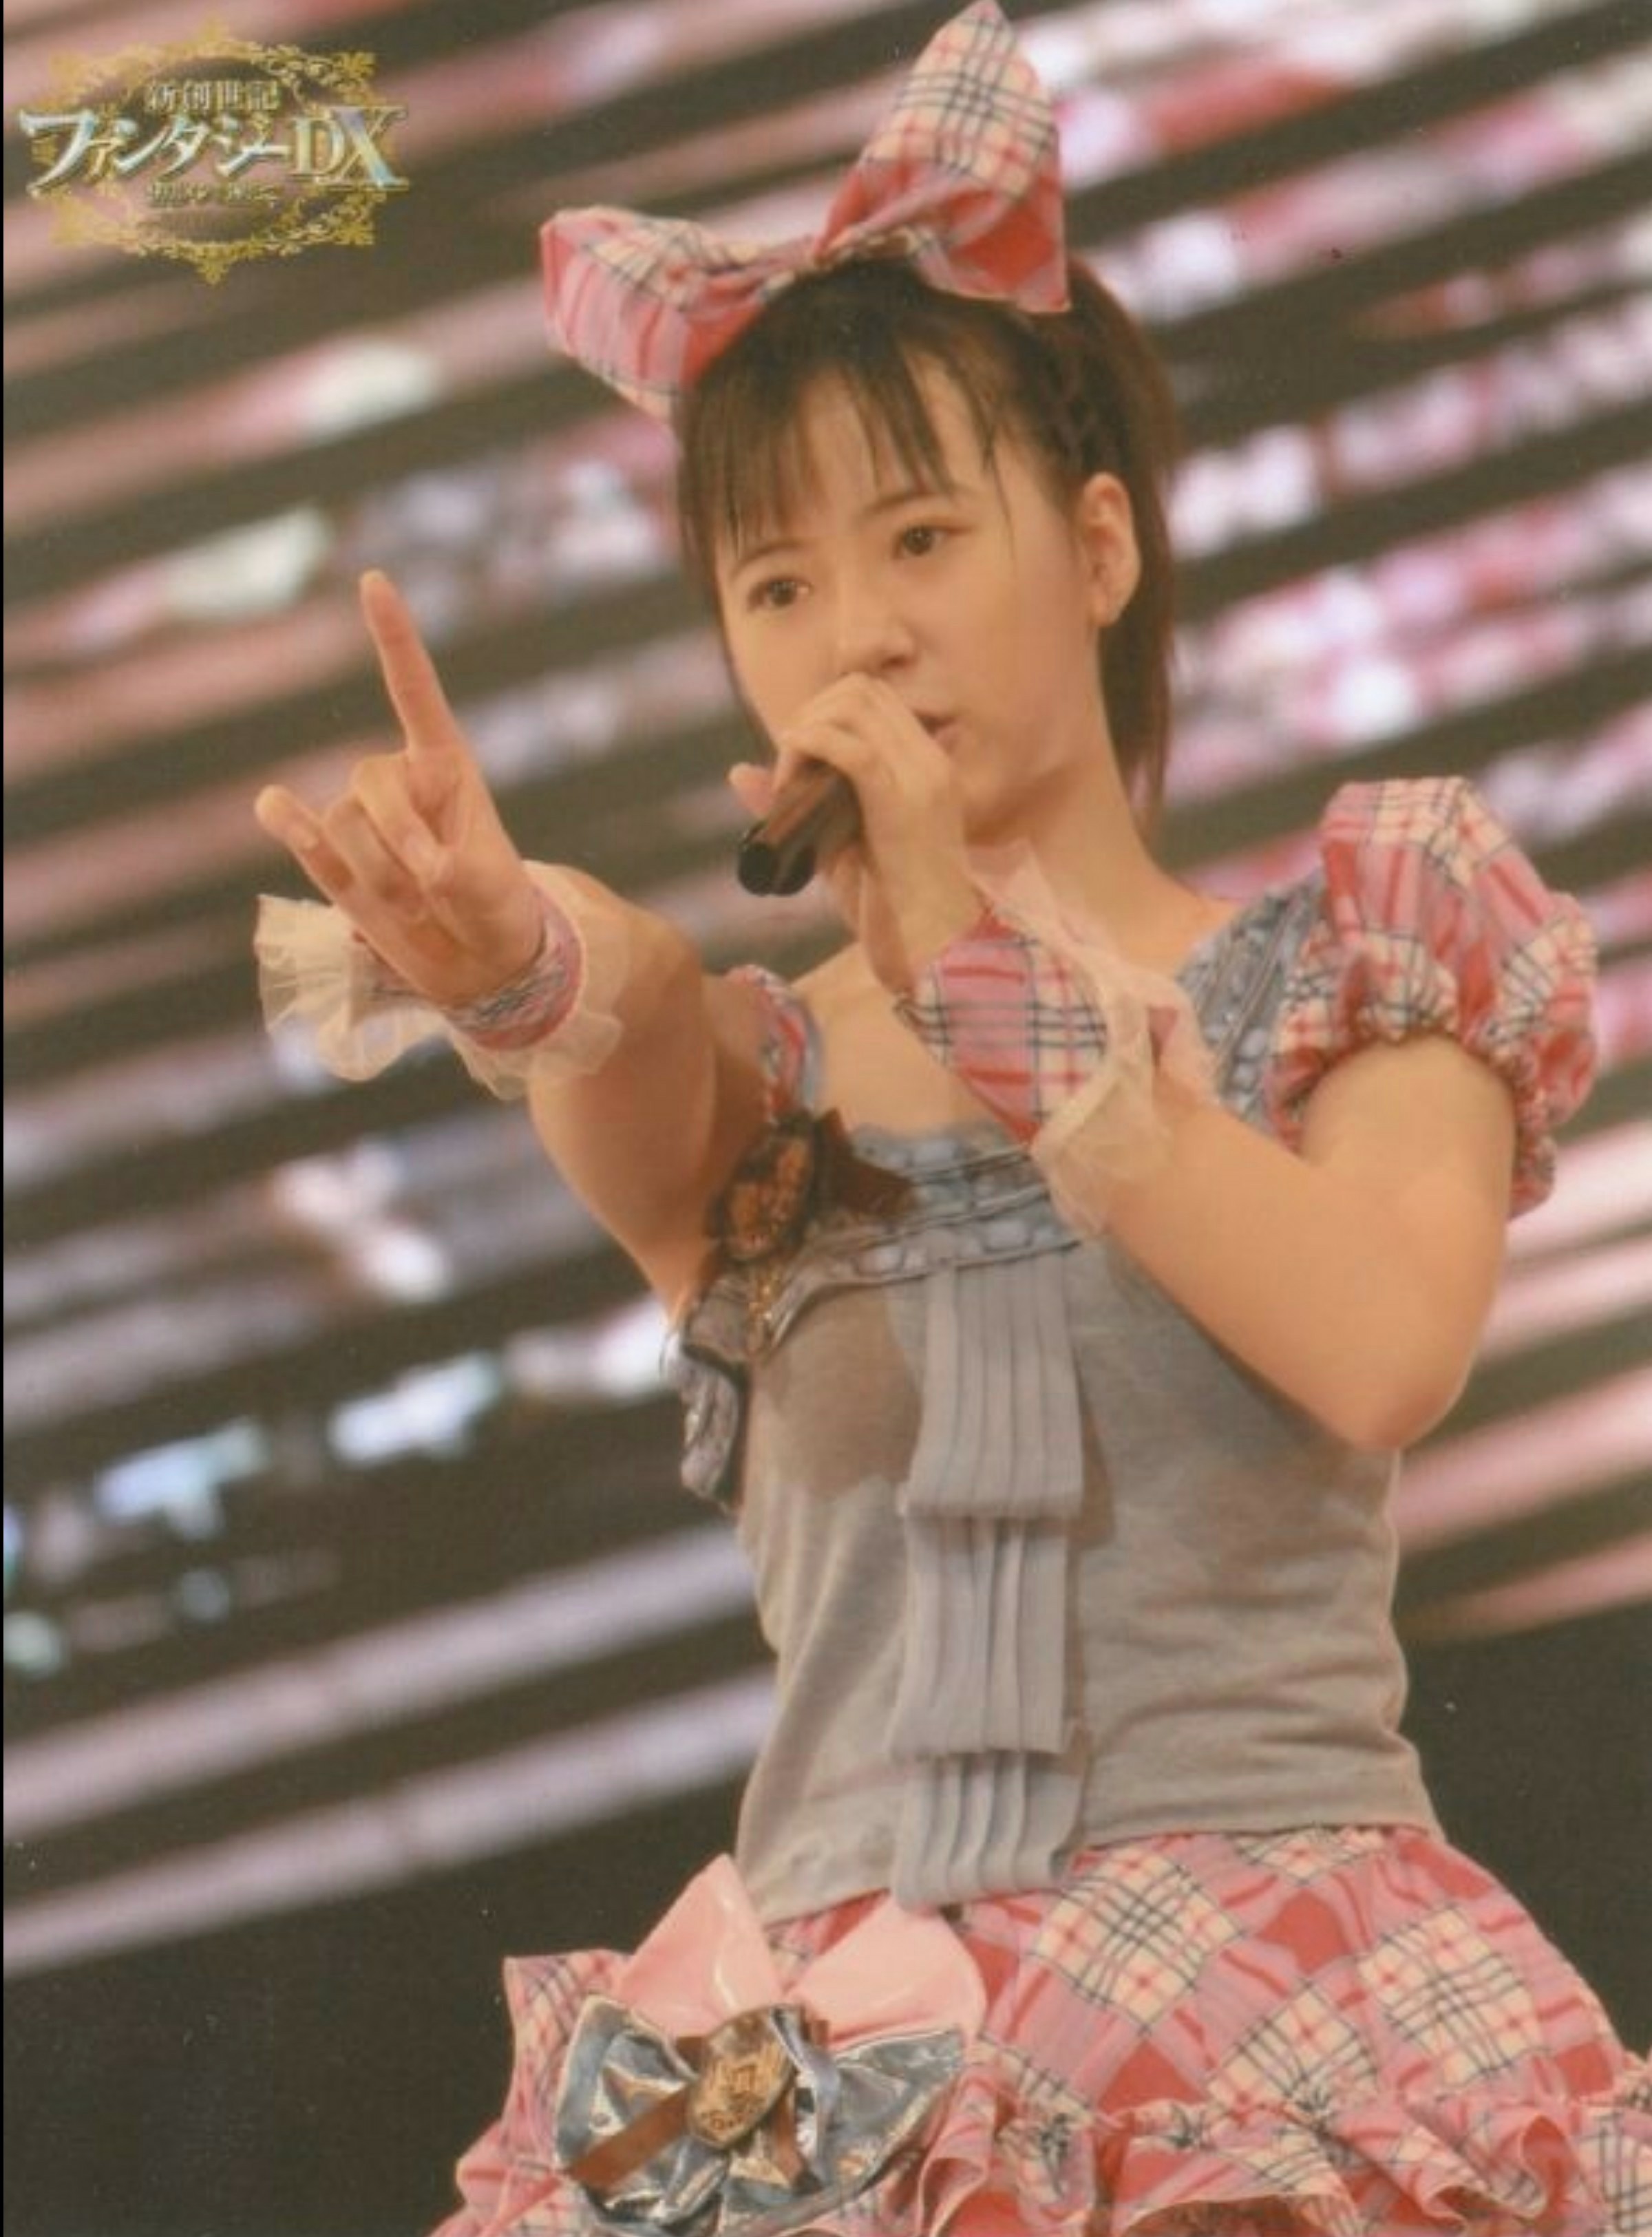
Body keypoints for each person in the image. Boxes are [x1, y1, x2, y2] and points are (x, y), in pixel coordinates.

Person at [253, 6, 1649, 2231]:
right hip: (832, 2064)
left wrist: (991, 979)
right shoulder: (762, 1074)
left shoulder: (1360, 951)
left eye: (920, 538)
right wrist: (513, 948)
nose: (859, 634)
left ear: (1096, 546)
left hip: (1274, 2008)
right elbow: (621, 1007)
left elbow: (1387, 1341)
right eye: (779, 582)